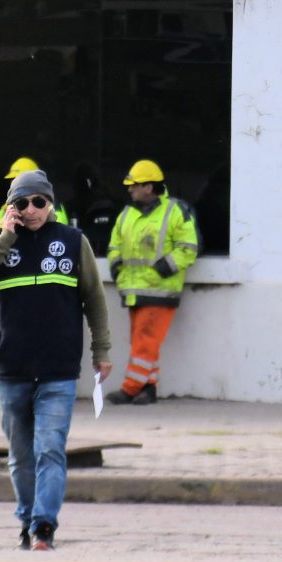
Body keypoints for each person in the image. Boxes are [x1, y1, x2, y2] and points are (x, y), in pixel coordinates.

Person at [0, 168, 112, 551]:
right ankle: (27, 519)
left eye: (38, 202)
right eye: (22, 203)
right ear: (10, 207)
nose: (31, 210)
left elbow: (94, 299)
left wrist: (102, 351)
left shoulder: (73, 241)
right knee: (21, 456)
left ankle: (44, 526)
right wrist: (5, 237)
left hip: (58, 369)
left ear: (50, 203)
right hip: (10, 370)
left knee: (50, 449)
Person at [104, 158, 199, 406]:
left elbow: (188, 248)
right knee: (144, 343)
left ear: (149, 187)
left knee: (144, 342)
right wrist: (116, 267)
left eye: (134, 185)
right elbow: (114, 245)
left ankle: (130, 388)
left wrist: (164, 267)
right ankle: (148, 389)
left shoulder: (175, 211)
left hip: (161, 290)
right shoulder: (127, 214)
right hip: (133, 290)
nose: (130, 189)